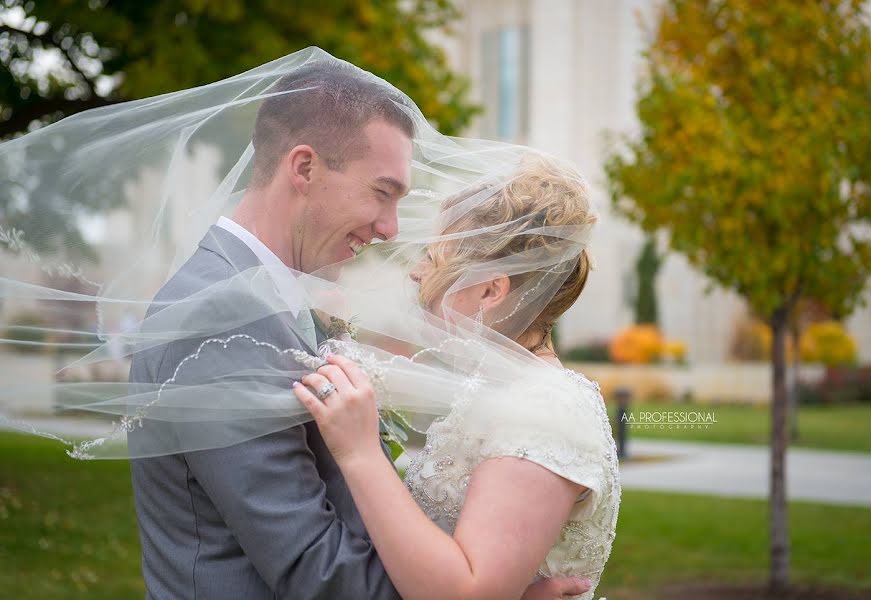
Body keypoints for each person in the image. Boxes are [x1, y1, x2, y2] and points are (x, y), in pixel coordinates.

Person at [124, 53, 591, 600]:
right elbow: (315, 569)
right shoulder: (219, 316)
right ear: (304, 168)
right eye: (382, 192)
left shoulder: (266, 298)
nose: (392, 229)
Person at [294, 154, 621, 600]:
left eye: (434, 258)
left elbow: (468, 592)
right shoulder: (504, 392)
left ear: (490, 290)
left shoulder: (545, 409)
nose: (416, 271)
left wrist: (360, 452)